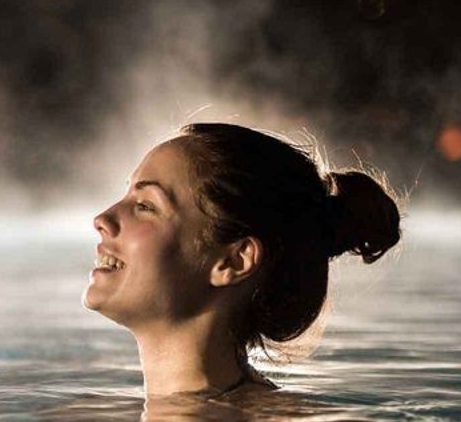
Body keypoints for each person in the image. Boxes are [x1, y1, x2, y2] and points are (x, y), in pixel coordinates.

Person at [84, 123, 402, 399]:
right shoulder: (105, 420)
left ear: (234, 261)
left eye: (145, 206)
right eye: (127, 196)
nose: (102, 219)